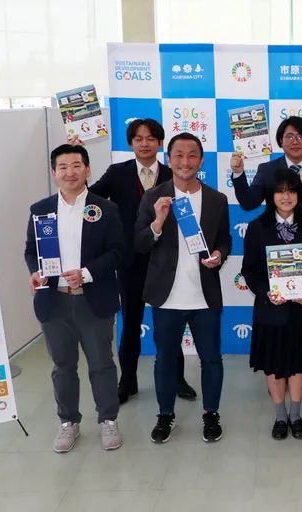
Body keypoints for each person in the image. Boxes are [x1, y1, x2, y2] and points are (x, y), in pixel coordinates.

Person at [85, 118, 197, 404]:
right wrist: (79, 162)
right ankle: (128, 380)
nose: (144, 143)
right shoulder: (117, 172)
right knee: (131, 324)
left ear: (160, 143)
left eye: (150, 138)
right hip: (129, 262)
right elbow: (89, 197)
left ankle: (178, 378)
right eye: (138, 139)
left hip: (167, 260)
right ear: (130, 143)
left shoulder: (174, 172)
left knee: (170, 324)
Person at [24, 143, 125, 453]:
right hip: (54, 301)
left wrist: (87, 273)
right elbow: (31, 251)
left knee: (101, 364)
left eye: (76, 166)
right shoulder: (40, 209)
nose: (70, 172)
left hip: (93, 299)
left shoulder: (105, 209)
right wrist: (35, 271)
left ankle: (108, 420)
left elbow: (118, 252)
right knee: (63, 366)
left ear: (87, 170)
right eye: (63, 167)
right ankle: (68, 422)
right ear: (54, 173)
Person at [135, 132, 232, 444]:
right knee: (164, 360)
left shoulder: (217, 199)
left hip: (204, 296)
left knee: (211, 359)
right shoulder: (154, 197)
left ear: (201, 161)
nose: (185, 161)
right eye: (178, 155)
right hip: (167, 297)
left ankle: (211, 413)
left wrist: (219, 255)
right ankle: (165, 415)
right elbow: (139, 244)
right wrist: (157, 222)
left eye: (192, 155)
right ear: (169, 159)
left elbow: (225, 239)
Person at [231, 116, 302, 396]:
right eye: (289, 136)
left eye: (301, 136)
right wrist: (239, 174)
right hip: (274, 259)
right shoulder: (267, 169)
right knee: (277, 318)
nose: (295, 141)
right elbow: (248, 203)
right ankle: (278, 370)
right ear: (280, 140)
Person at [241, 169, 302, 440]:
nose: (286, 196)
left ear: (298, 195)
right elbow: (249, 270)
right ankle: (280, 416)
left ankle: (296, 415)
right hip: (271, 310)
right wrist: (266, 293)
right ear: (271, 196)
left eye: (291, 191)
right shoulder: (257, 227)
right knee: (274, 365)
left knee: (300, 364)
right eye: (280, 191)